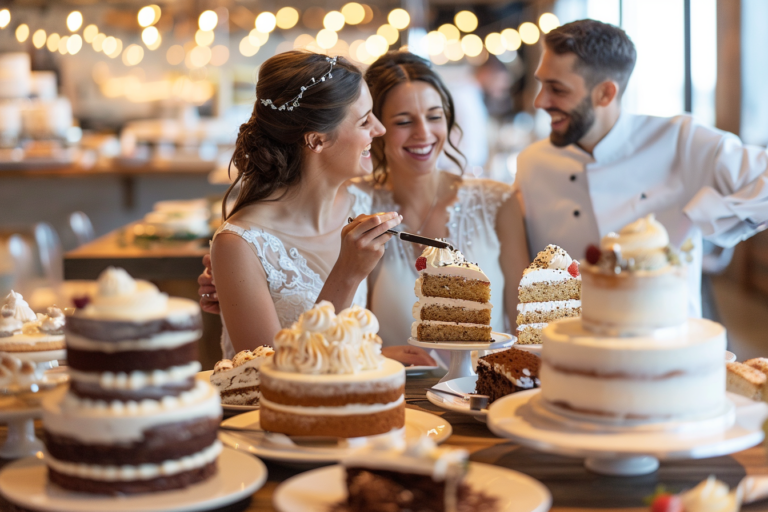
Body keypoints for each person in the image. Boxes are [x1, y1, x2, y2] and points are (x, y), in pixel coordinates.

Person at [516, 19, 768, 318]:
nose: (540, 101)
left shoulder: (681, 140)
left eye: (556, 89)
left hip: (667, 346)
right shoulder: (532, 162)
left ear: (605, 94)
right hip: (570, 348)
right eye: (541, 83)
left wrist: (703, 212)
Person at [209, 51, 414, 361]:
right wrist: (346, 274)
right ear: (316, 141)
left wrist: (377, 353)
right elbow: (270, 374)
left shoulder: (363, 202)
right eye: (364, 121)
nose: (380, 129)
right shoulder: (240, 244)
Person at [358, 52, 530, 346]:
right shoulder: (356, 205)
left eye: (434, 116)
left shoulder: (497, 201)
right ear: (376, 129)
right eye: (403, 121)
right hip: (396, 389)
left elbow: (525, 329)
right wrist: (376, 357)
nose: (424, 133)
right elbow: (343, 327)